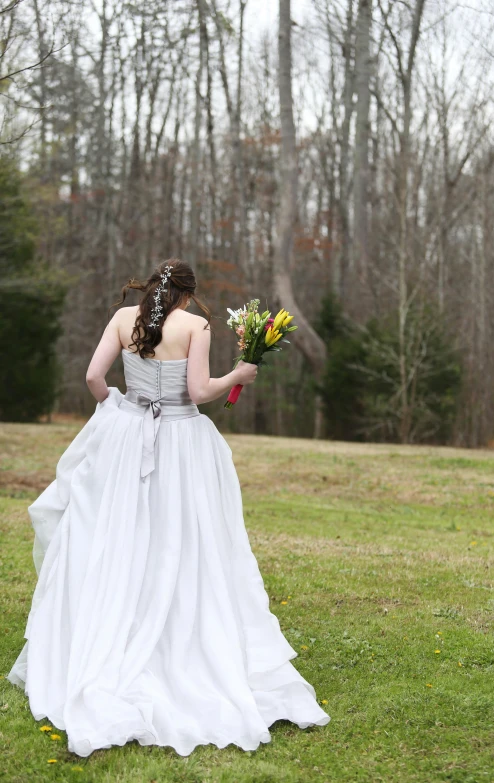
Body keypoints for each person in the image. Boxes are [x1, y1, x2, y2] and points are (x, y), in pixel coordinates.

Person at [7, 258, 330, 758]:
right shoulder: (196, 325)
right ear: (187, 294)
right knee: (181, 536)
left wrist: (116, 405)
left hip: (126, 435)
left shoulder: (122, 318)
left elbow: (94, 377)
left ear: (154, 288)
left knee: (118, 533)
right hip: (180, 441)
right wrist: (238, 373)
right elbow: (199, 394)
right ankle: (176, 629)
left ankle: (112, 629)